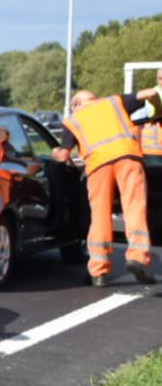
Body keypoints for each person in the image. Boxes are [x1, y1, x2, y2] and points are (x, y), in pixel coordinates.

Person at [52, 86, 162, 287]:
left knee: (99, 216)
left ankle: (98, 271)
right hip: (128, 158)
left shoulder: (72, 121)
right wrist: (158, 110)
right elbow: (150, 94)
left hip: (98, 166)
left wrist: (54, 152)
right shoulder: (114, 101)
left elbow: (63, 156)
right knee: (134, 208)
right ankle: (138, 258)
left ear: (76, 103)